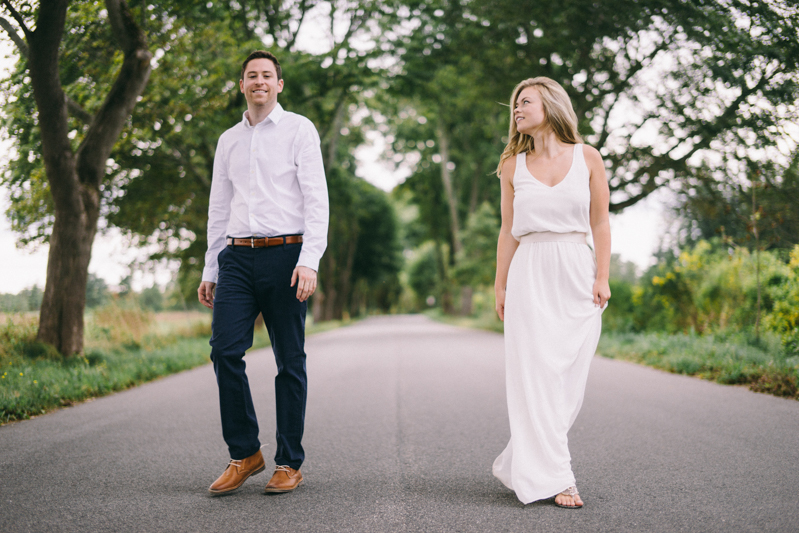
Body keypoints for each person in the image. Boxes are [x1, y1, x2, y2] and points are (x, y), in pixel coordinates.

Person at [198, 50, 329, 496]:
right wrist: (210, 267)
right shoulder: (227, 140)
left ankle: (289, 462)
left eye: (267, 75)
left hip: (286, 256)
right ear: (241, 85)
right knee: (223, 351)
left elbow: (316, 199)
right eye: (251, 75)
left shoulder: (299, 130)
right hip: (236, 257)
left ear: (279, 84)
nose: (259, 81)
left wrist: (309, 259)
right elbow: (218, 208)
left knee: (289, 360)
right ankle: (246, 453)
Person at [491, 77, 611, 509]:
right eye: (515, 105)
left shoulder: (589, 158)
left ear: (551, 105)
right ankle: (560, 476)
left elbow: (600, 222)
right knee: (534, 377)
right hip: (529, 273)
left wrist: (602, 275)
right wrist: (500, 284)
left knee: (567, 379)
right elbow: (508, 231)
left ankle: (525, 459)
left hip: (577, 271)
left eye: (525, 102)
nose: (517, 110)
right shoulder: (512, 166)